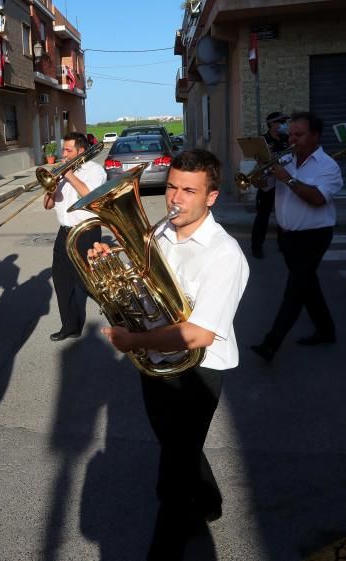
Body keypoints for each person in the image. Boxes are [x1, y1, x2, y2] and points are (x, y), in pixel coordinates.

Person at [93, 150, 249, 560]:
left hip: (199, 370)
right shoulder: (159, 233)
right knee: (176, 443)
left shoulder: (224, 254)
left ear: (211, 197)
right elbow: (142, 294)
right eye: (173, 186)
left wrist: (134, 342)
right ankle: (209, 500)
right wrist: (108, 270)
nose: (176, 198)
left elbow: (198, 333)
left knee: (175, 466)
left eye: (189, 190)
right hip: (158, 361)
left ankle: (166, 544)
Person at [251, 111, 344, 361]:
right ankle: (326, 330)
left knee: (294, 291)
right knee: (307, 285)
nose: (292, 139)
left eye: (299, 134)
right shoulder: (286, 160)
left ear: (315, 136)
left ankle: (271, 343)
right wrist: (262, 173)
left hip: (314, 236)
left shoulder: (328, 166)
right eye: (290, 134)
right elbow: (265, 187)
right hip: (288, 236)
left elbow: (316, 199)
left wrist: (288, 179)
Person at [43, 132, 107, 341]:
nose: (64, 154)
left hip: (86, 232)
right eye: (63, 150)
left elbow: (91, 196)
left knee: (89, 281)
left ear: (80, 151)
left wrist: (69, 175)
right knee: (61, 280)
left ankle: (120, 316)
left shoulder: (95, 171)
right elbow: (49, 205)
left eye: (68, 150)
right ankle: (70, 326)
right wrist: (51, 186)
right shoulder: (61, 173)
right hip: (64, 232)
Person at [250, 111, 290, 258]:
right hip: (269, 182)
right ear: (272, 124)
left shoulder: (287, 138)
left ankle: (283, 244)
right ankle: (256, 246)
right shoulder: (263, 140)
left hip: (284, 180)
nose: (284, 125)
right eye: (281, 122)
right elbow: (258, 159)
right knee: (263, 215)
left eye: (284, 122)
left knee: (283, 212)